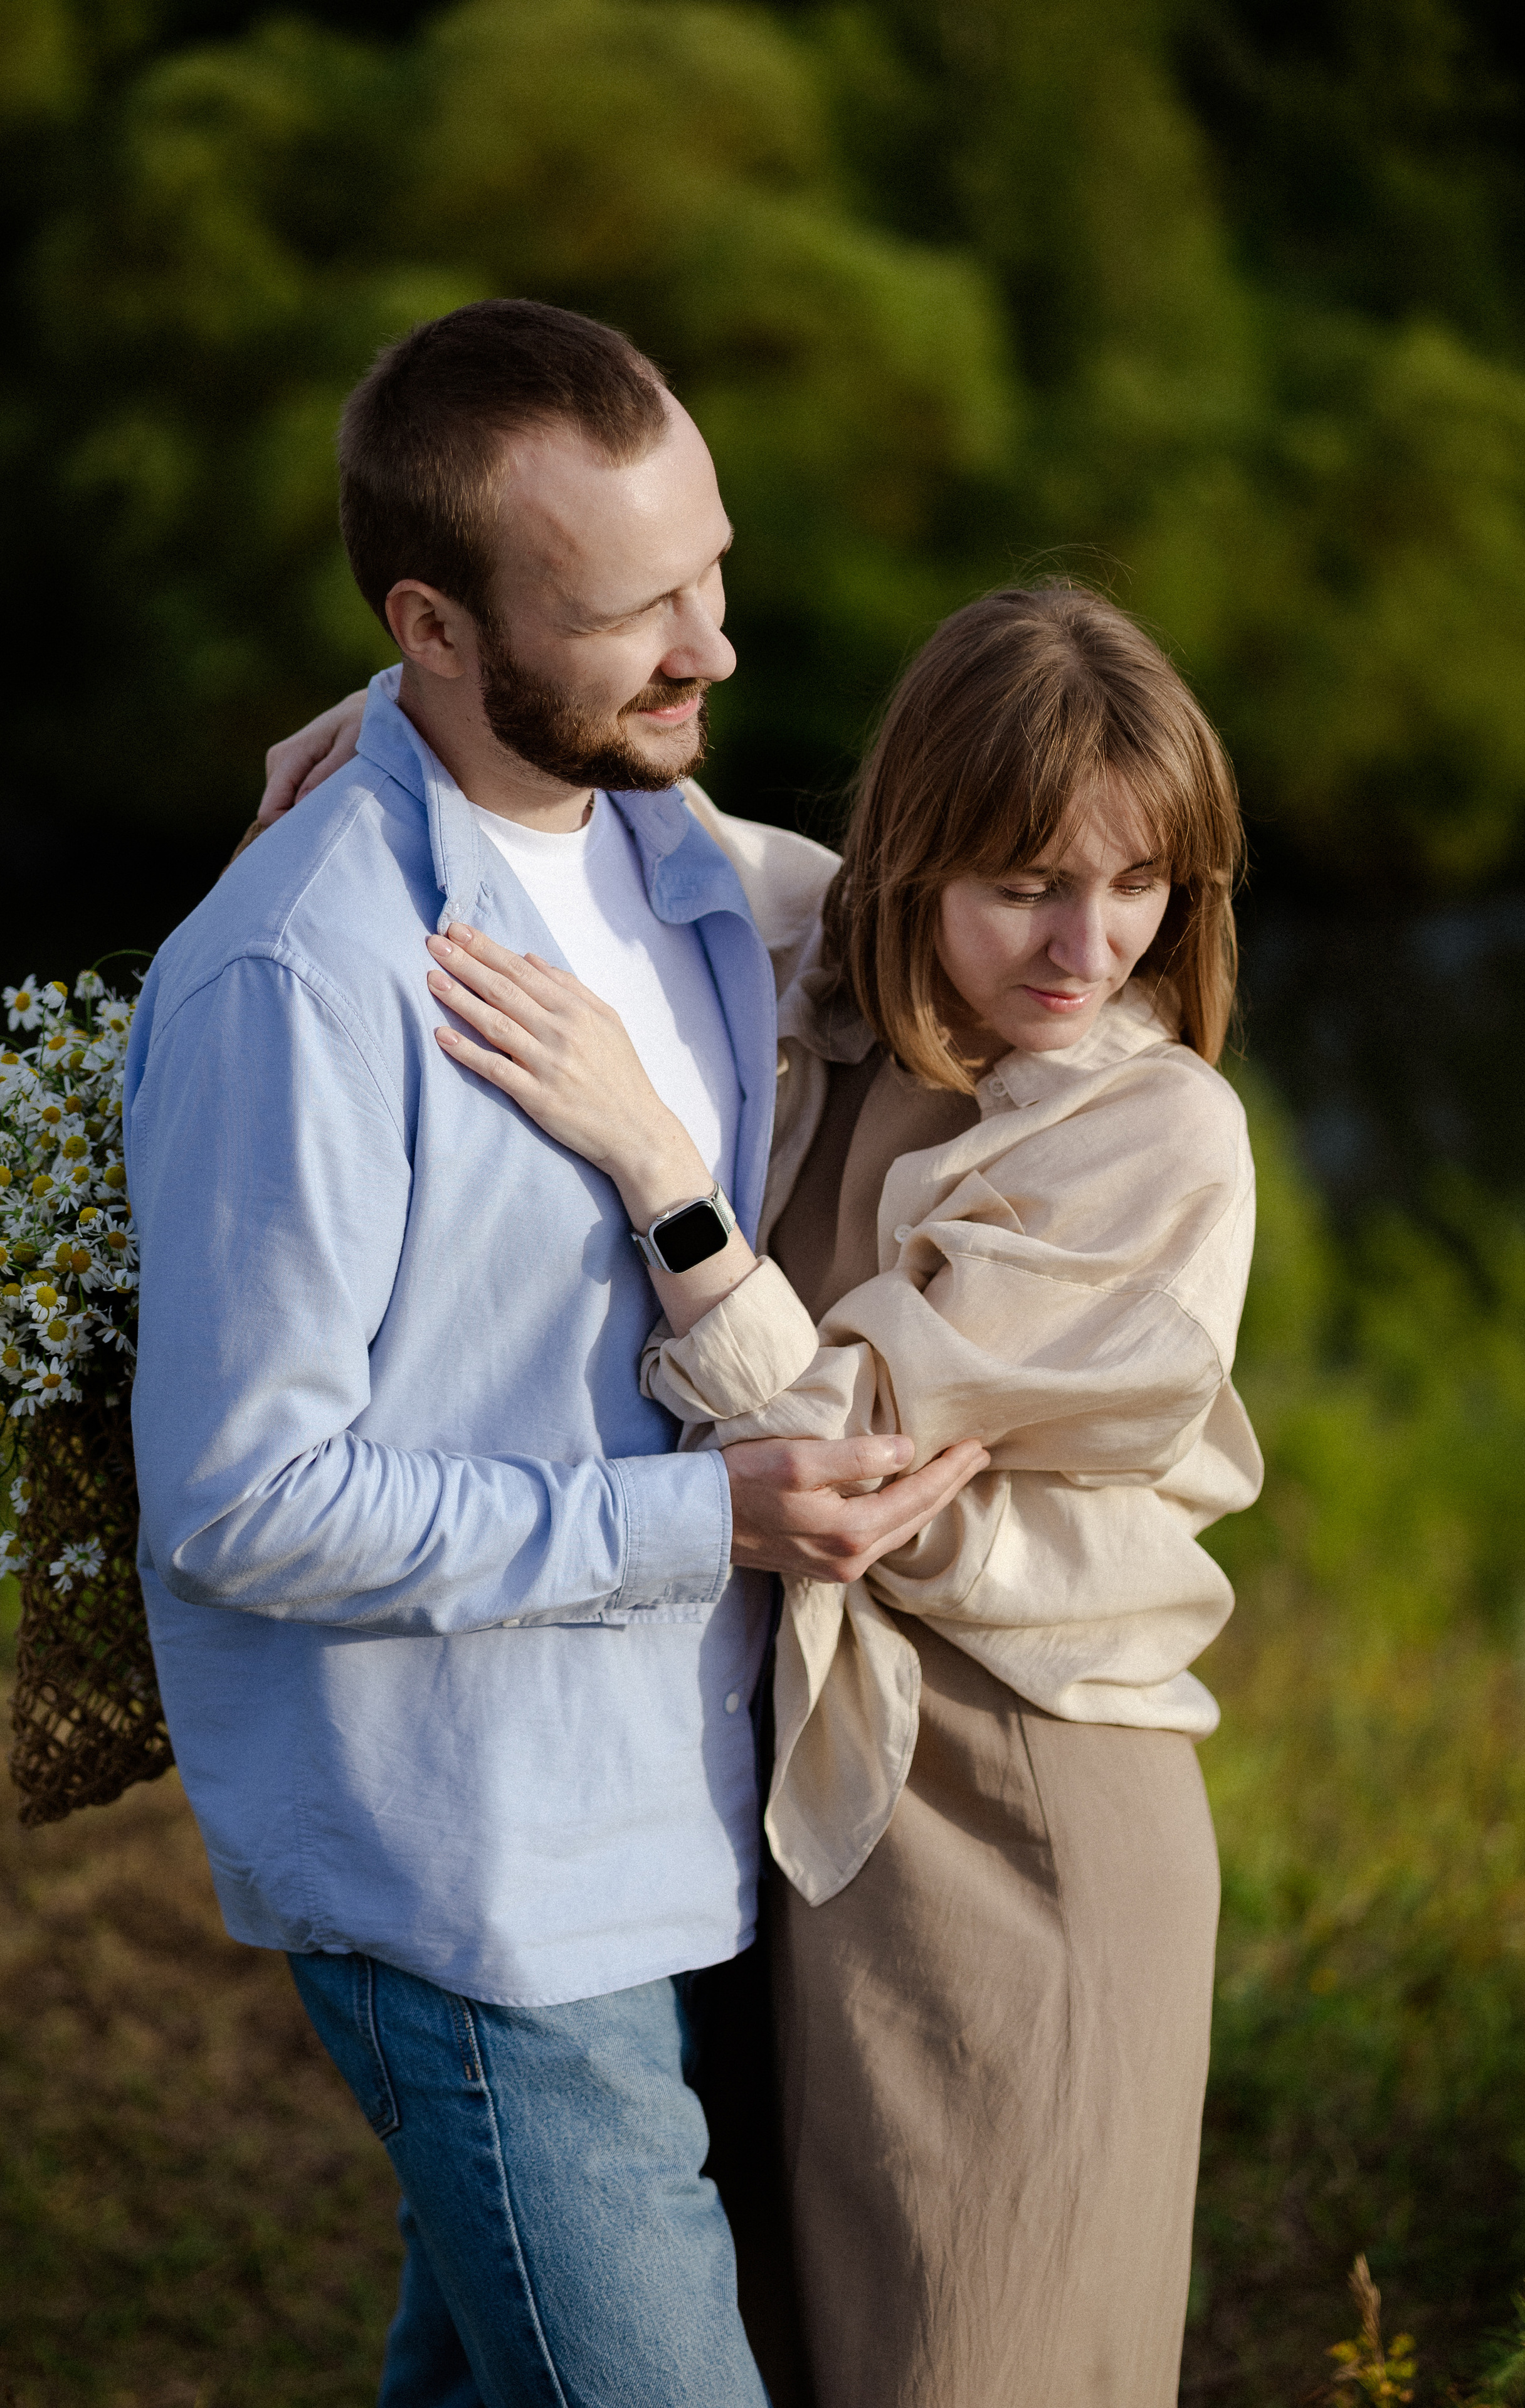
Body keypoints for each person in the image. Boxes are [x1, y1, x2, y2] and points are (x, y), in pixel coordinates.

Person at [123, 297, 986, 2408]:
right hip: (479, 1889)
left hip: (683, 1827)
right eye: (631, 612)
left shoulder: (674, 854)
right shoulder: (300, 978)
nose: (709, 651)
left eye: (711, 571)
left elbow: (1035, 925)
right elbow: (242, 1500)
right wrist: (717, 1512)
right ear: (435, 622)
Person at [396, 583, 1265, 2408]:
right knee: (792, 2348)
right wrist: (385, 709)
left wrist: (658, 1161)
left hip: (1031, 1814)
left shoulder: (1151, 1134)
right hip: (802, 1819)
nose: (1085, 943)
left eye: (1142, 886)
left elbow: (826, 1459)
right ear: (910, 854)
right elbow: (618, 782)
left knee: (979, 2358)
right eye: (1028, 877)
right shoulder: (820, 970)